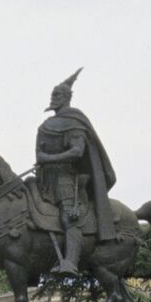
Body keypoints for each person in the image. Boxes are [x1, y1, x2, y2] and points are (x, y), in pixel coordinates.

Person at [34, 67, 116, 276]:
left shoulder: (74, 122)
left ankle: (70, 261)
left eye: (58, 95)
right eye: (53, 94)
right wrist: (42, 160)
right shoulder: (46, 124)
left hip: (66, 179)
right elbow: (39, 152)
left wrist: (49, 159)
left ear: (67, 98)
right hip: (44, 178)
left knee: (68, 217)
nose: (54, 98)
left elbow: (77, 152)